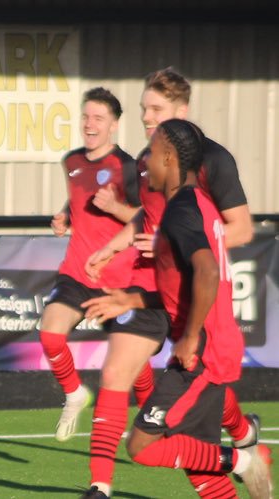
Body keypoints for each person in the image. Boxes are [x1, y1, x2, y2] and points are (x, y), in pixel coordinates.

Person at [87, 119, 270, 499]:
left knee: (142, 446)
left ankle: (243, 461)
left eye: (152, 153)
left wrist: (188, 339)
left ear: (169, 158)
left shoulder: (180, 210)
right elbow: (183, 287)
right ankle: (237, 464)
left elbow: (207, 269)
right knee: (199, 467)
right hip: (210, 347)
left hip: (200, 354)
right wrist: (132, 299)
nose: (146, 161)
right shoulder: (198, 202)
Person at [37, 89, 160, 456]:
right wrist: (64, 216)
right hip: (76, 272)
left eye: (98, 118)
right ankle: (75, 394)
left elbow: (144, 218)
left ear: (114, 125)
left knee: (134, 365)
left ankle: (154, 419)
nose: (90, 124)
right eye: (86, 117)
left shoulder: (129, 167)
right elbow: (79, 200)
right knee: (49, 333)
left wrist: (115, 206)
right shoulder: (71, 160)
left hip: (119, 279)